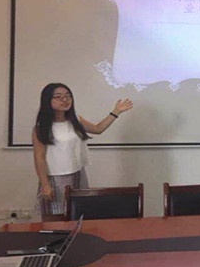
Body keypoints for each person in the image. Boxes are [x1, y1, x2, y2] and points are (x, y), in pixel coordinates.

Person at [32, 83, 133, 221]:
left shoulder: (76, 120)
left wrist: (116, 112)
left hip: (78, 173)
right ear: (47, 101)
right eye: (58, 97)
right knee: (55, 218)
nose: (64, 100)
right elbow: (39, 157)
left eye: (68, 96)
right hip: (55, 177)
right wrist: (45, 185)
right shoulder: (42, 127)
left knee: (78, 215)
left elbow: (98, 129)